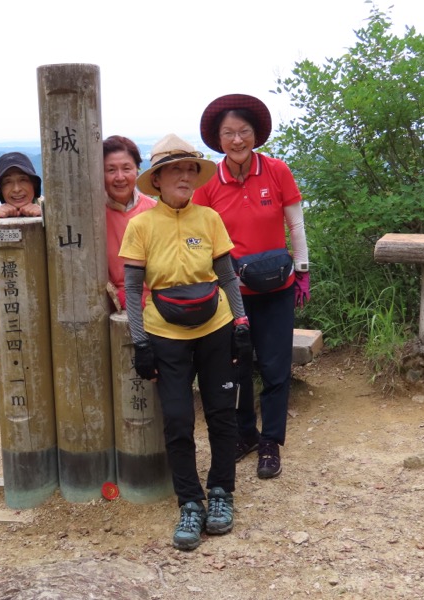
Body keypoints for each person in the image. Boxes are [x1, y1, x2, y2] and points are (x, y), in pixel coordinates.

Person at [119, 134, 252, 551]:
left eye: (190, 169)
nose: (184, 176)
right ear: (156, 180)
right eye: (174, 169)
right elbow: (132, 288)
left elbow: (227, 276)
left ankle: (221, 494)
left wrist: (242, 322)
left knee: (221, 414)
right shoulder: (141, 225)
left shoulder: (208, 219)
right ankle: (190, 502)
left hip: (216, 327)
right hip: (165, 335)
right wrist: (140, 343)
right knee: (177, 420)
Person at [193, 94, 311, 480]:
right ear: (218, 138)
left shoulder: (276, 170)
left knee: (275, 368)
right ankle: (245, 434)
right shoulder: (209, 182)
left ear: (255, 134)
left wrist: (303, 269)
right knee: (237, 367)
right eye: (229, 133)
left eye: (244, 131)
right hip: (232, 293)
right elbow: (198, 233)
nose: (237, 139)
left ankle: (269, 443)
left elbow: (295, 223)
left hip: (277, 288)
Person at [0, 152, 43, 330]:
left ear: (34, 184)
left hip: (43, 304)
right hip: (3, 305)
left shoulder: (48, 210)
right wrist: (0, 223)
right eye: (7, 182)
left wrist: (42, 218)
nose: (16, 189)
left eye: (23, 180)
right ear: (0, 189)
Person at [103, 135, 156, 311]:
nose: (119, 177)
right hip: (112, 308)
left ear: (137, 171)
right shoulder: (93, 216)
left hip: (156, 305)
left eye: (126, 168)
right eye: (111, 170)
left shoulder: (155, 210)